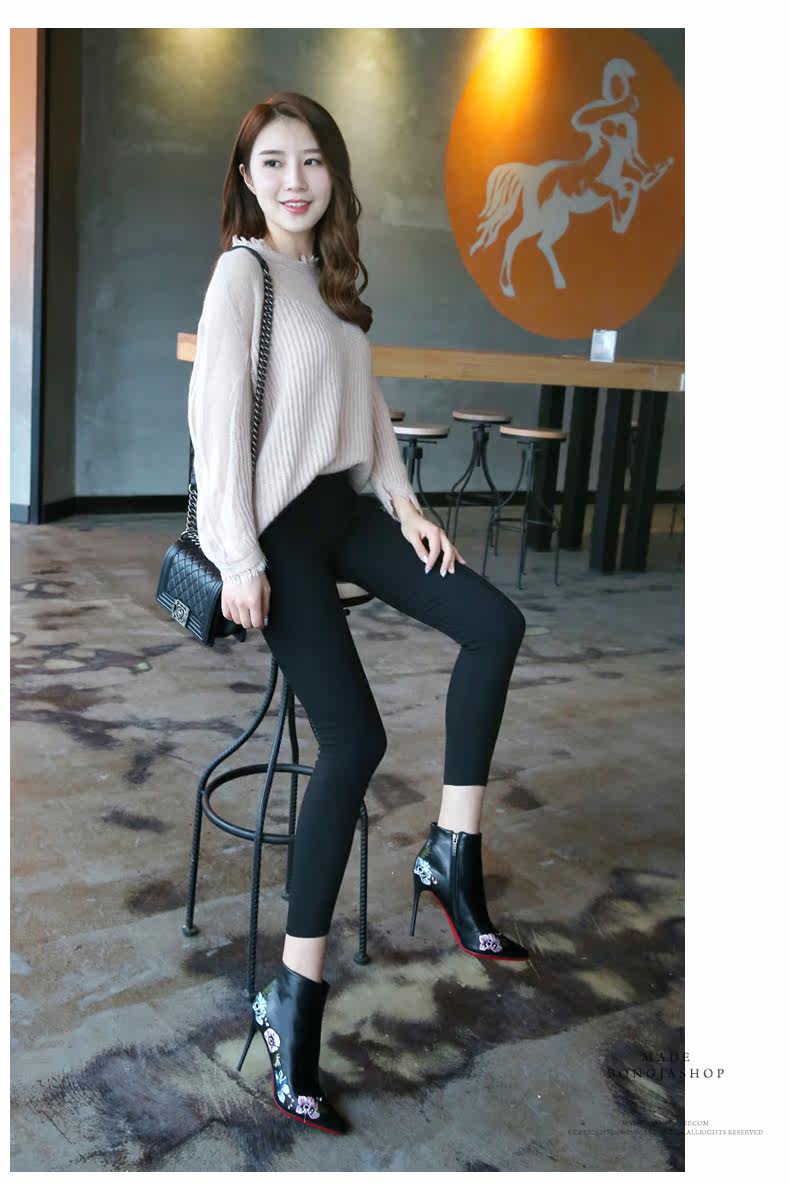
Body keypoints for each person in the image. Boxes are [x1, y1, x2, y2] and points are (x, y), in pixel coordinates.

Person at [187, 91, 530, 1136]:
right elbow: (214, 427)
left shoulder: (331, 280)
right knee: (356, 740)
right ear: (247, 178)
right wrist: (239, 556)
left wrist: (408, 507)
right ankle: (293, 994)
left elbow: (366, 414)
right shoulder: (243, 273)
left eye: (311, 161)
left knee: (494, 623)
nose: (294, 180)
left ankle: (451, 855)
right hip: (281, 534)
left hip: (348, 510)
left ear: (333, 172)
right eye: (273, 162)